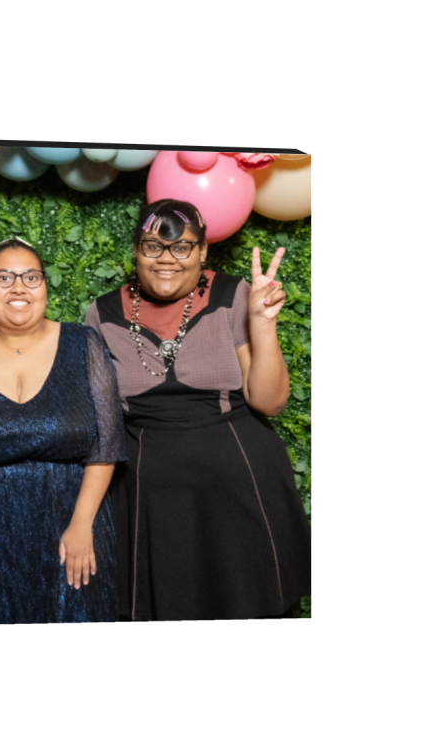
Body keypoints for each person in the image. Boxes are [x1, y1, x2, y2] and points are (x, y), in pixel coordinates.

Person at [85, 199, 311, 620]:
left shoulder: (232, 295)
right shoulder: (102, 314)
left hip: (238, 486)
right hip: (151, 500)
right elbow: (99, 424)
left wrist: (263, 324)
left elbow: (270, 402)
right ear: (136, 250)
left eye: (182, 247)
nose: (166, 259)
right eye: (153, 246)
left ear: (203, 251)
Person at [0, 238, 127, 625]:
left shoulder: (83, 344)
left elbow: (106, 443)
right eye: (4, 277)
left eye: (31, 277)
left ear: (44, 286)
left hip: (72, 527)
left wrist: (82, 525)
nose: (19, 287)